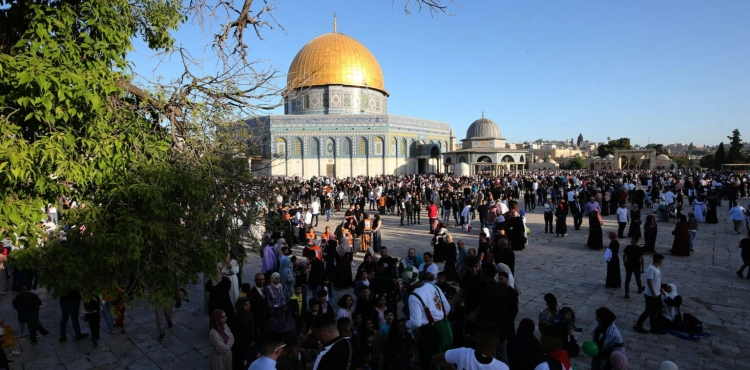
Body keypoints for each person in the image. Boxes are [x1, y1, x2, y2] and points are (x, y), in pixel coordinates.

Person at [403, 266, 452, 370]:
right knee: (445, 362)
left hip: (432, 333)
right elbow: (447, 308)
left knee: (431, 364)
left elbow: (416, 323)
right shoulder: (433, 286)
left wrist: (405, 324)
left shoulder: (413, 297)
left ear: (408, 283)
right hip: (447, 329)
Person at [471, 264, 518, 364]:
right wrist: (508, 323)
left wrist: (478, 329)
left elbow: (484, 314)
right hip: (504, 329)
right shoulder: (505, 289)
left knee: (491, 357)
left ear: (485, 275)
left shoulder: (486, 291)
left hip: (491, 331)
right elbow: (514, 308)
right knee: (503, 357)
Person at [432, 322, 510, 370]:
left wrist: (450, 365)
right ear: (497, 342)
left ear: (477, 337)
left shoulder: (462, 353)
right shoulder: (503, 367)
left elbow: (435, 359)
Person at [633, 254, 665, 335]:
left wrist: (660, 289)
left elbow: (656, 281)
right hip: (651, 295)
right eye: (662, 261)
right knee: (648, 311)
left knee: (654, 312)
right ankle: (638, 325)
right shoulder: (651, 269)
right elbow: (649, 281)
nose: (662, 262)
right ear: (659, 261)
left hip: (656, 294)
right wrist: (654, 293)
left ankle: (653, 328)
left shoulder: (657, 269)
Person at [231, 297, 258, 370]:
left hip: (252, 343)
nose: (248, 306)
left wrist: (254, 340)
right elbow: (237, 334)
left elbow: (254, 328)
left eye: (249, 304)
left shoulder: (250, 314)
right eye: (246, 304)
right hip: (241, 346)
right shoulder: (237, 318)